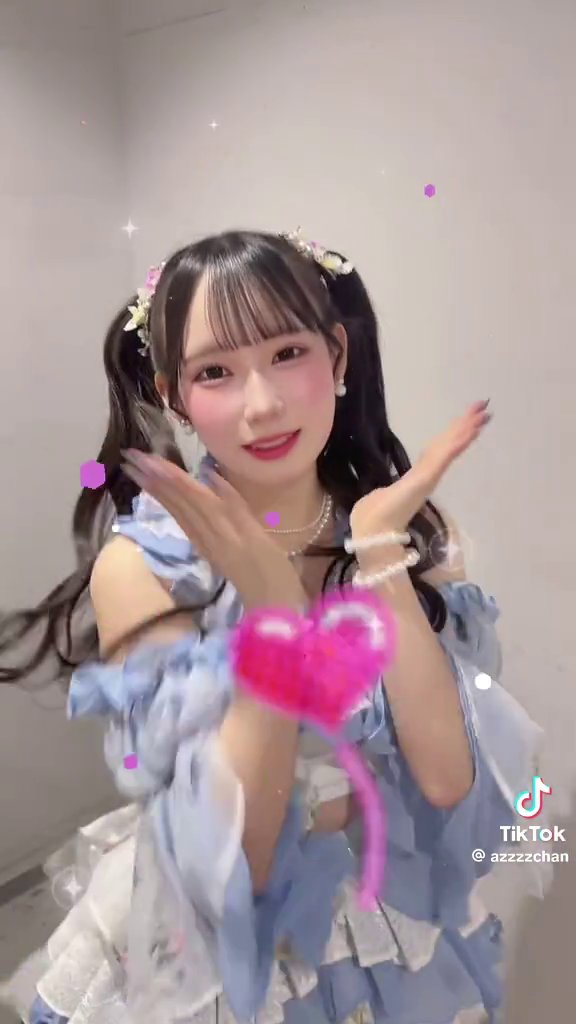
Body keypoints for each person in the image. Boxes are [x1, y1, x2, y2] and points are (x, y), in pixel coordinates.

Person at [0, 229, 547, 1024]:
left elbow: (445, 783)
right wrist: (271, 621)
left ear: (338, 354)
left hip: (387, 909)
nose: (262, 405)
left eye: (288, 353)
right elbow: (240, 867)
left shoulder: (408, 531)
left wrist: (379, 554)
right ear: (173, 395)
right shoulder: (145, 569)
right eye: (214, 372)